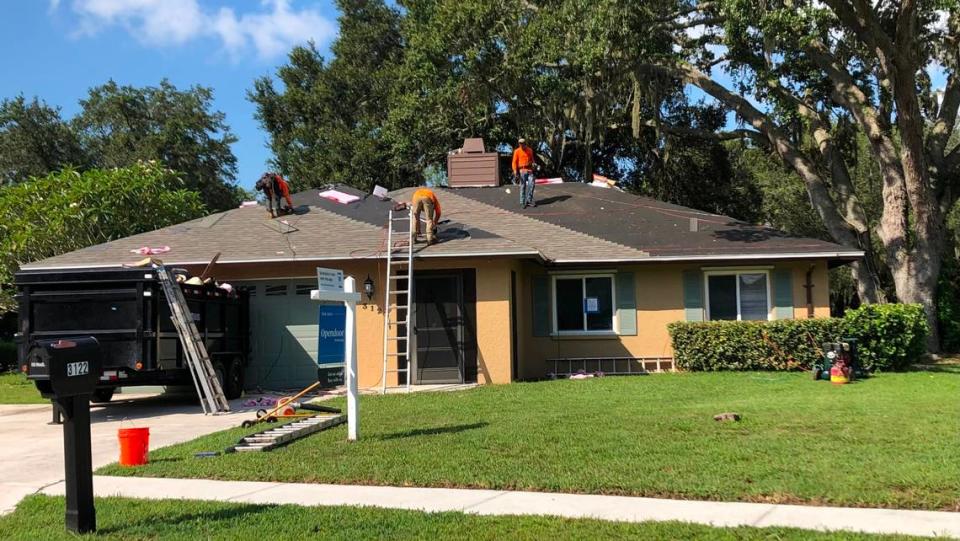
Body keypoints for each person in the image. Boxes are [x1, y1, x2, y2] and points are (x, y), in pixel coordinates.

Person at [512, 138, 536, 208]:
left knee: (532, 184)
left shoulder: (530, 150)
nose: (521, 145)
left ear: (525, 143)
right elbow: (514, 162)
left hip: (530, 170)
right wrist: (515, 172)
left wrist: (534, 164)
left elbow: (532, 160)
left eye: (522, 143)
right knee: (523, 186)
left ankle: (529, 201)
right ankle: (522, 202)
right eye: (520, 143)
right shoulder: (517, 151)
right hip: (522, 170)